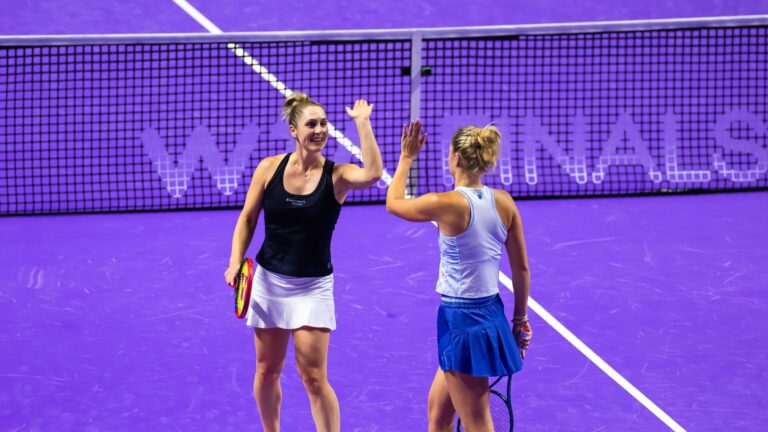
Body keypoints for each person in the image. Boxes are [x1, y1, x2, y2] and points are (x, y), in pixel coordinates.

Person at [224, 93, 382, 432]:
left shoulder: (337, 176)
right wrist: (235, 261)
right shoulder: (269, 167)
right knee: (267, 371)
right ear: (294, 131)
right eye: (311, 124)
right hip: (268, 282)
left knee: (313, 378)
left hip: (313, 287)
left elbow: (372, 174)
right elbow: (248, 218)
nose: (320, 130)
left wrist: (362, 123)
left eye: (324, 124)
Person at [386, 120, 532, 432]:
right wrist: (520, 320)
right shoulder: (504, 202)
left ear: (455, 158)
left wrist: (407, 156)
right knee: (438, 419)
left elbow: (393, 203)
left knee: (478, 424)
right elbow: (520, 269)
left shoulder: (445, 203)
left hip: (462, 322)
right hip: (490, 313)